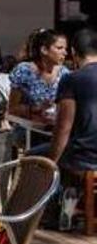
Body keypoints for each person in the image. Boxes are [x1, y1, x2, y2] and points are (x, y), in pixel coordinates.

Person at [9, 29, 70, 154]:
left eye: (65, 48)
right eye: (59, 48)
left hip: (54, 130)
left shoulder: (65, 73)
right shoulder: (24, 71)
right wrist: (35, 109)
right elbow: (12, 109)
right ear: (44, 50)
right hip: (29, 130)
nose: (65, 53)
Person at [47, 29, 97, 173]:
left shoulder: (72, 79)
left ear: (74, 53)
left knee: (32, 156)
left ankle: (54, 195)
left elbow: (64, 127)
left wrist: (50, 163)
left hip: (85, 160)